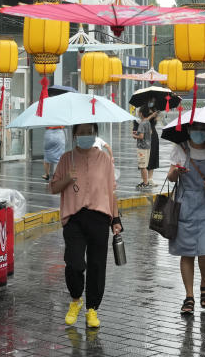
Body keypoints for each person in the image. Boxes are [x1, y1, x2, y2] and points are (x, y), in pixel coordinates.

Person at [49, 122, 122, 329]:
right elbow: (53, 187)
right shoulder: (66, 159)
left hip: (99, 217)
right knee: (74, 263)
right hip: (74, 219)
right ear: (74, 135)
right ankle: (75, 300)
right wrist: (67, 179)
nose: (86, 136)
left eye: (90, 132)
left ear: (95, 134)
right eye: (82, 133)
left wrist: (116, 219)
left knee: (97, 265)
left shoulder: (105, 160)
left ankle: (92, 309)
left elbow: (111, 191)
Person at [167, 123, 205, 315]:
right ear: (188, 130)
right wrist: (177, 171)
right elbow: (170, 177)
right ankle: (189, 296)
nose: (198, 133)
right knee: (187, 252)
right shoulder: (180, 148)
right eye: (195, 129)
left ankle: (204, 283)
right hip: (184, 205)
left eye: (202, 129)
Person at [134, 106, 155, 189]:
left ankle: (145, 183)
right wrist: (138, 132)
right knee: (144, 165)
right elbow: (150, 132)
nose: (138, 113)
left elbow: (141, 136)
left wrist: (135, 135)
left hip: (142, 147)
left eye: (139, 112)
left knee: (142, 166)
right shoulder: (147, 122)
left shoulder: (142, 123)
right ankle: (145, 181)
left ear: (141, 114)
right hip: (148, 146)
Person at [146, 109, 162, 185]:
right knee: (145, 156)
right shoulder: (144, 110)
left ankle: (150, 178)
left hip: (153, 134)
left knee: (153, 155)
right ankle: (144, 178)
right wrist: (152, 115)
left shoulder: (155, 110)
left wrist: (156, 116)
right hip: (146, 135)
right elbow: (143, 121)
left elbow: (154, 123)